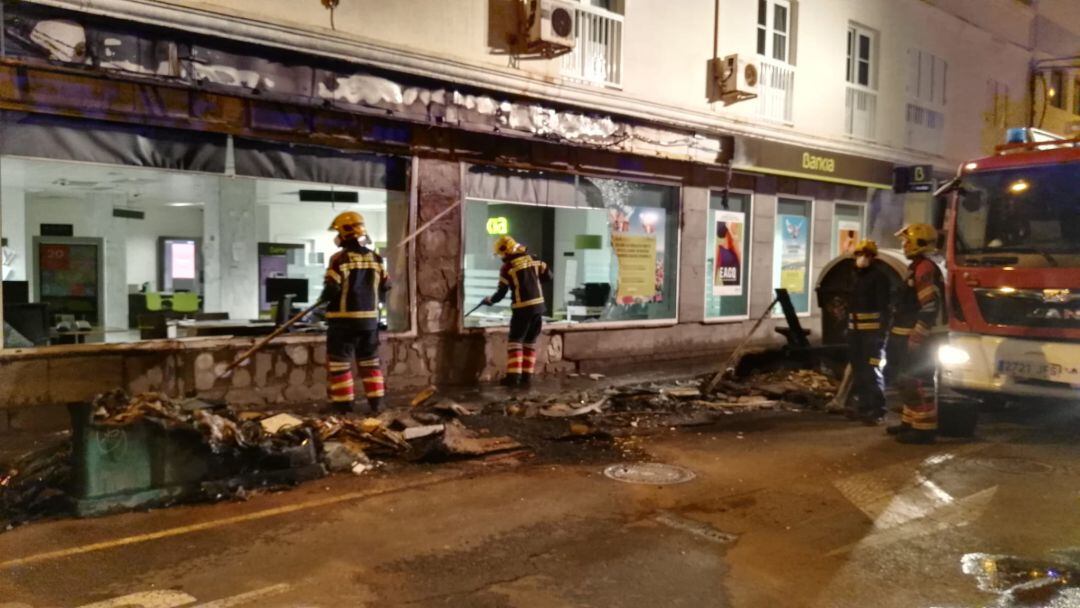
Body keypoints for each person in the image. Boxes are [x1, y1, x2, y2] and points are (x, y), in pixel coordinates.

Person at [320, 211, 390, 414]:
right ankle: (377, 405)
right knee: (370, 363)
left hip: (343, 323)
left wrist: (322, 300)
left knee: (340, 364)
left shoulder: (339, 259)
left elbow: (332, 288)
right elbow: (386, 286)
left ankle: (344, 408)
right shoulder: (376, 258)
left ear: (344, 233)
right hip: (369, 323)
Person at [886, 223, 944, 444]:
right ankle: (910, 422)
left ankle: (924, 429)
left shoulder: (925, 268)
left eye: (906, 241)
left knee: (918, 381)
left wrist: (917, 336)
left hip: (920, 338)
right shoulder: (918, 266)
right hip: (907, 334)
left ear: (919, 243)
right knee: (907, 380)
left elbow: (929, 306)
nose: (904, 245)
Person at [482, 235, 551, 388]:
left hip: (522, 308)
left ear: (505, 252)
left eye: (501, 254)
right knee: (530, 342)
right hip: (539, 308)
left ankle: (513, 378)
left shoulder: (508, 268)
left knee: (515, 342)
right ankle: (527, 376)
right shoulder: (534, 260)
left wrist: (490, 301)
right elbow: (548, 276)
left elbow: (501, 293)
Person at [846, 239, 891, 425]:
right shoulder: (855, 276)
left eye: (866, 255)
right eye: (859, 254)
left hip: (872, 335)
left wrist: (881, 336)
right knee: (859, 371)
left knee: (872, 371)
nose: (862, 258)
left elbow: (884, 308)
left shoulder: (879, 277)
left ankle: (878, 409)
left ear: (873, 257)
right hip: (855, 333)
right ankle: (864, 407)